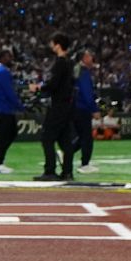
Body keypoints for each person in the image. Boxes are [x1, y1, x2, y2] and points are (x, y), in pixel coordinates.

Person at [34, 34, 77, 181]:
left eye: (53, 43)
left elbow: (53, 84)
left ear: (58, 45)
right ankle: (67, 172)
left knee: (47, 138)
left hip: (58, 105)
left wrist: (39, 88)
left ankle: (50, 171)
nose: (51, 45)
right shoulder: (70, 63)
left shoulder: (60, 63)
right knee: (65, 140)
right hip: (67, 105)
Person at [72, 49, 99, 174]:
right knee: (87, 137)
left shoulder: (76, 70)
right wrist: (94, 109)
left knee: (82, 136)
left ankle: (66, 152)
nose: (91, 58)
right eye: (89, 56)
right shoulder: (83, 72)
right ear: (84, 58)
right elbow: (87, 93)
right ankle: (85, 164)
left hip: (75, 107)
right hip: (82, 108)